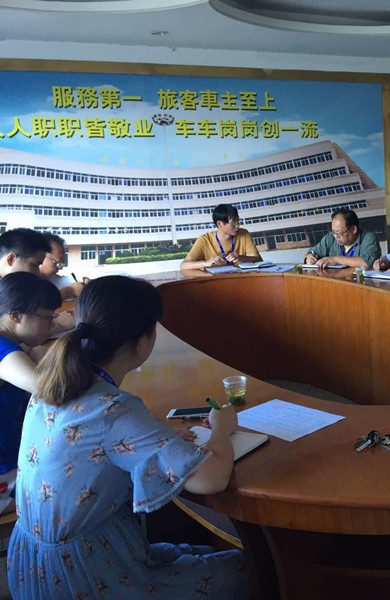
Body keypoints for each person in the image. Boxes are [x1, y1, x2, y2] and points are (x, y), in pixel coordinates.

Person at [8, 276, 249, 599]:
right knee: (246, 568)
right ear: (143, 341)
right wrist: (221, 427)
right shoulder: (114, 408)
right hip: (84, 576)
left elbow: (96, 444)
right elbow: (211, 479)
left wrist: (156, 435)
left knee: (195, 550)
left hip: (36, 564)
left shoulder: (56, 383)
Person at [0, 272, 61, 481]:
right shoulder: (4, 352)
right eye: (48, 318)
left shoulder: (15, 343)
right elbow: (50, 389)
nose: (52, 325)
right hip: (6, 470)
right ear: (16, 316)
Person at [180, 203, 262, 270]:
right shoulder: (205, 239)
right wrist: (205, 263)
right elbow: (184, 265)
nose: (237, 225)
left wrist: (241, 258)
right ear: (219, 224)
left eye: (238, 220)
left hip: (239, 279)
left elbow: (258, 260)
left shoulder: (243, 233)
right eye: (233, 222)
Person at [303, 208, 381, 269]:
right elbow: (312, 252)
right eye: (333, 232)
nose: (335, 236)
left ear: (353, 229)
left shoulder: (368, 238)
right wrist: (309, 257)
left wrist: (335, 260)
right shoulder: (330, 237)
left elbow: (367, 262)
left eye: (339, 233)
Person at [40, 233, 84, 299]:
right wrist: (70, 290)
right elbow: (38, 300)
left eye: (61, 263)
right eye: (57, 262)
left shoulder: (49, 280)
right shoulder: (26, 278)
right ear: (41, 256)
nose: (60, 268)